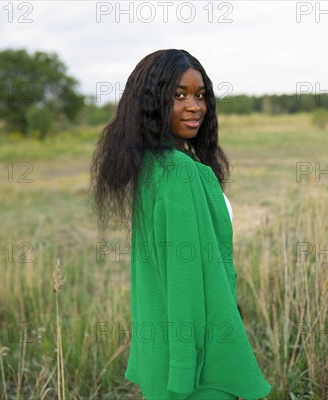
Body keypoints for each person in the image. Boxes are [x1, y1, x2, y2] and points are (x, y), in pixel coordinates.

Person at [90, 49, 271, 400]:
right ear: (152, 103)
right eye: (179, 95)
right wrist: (186, 368)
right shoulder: (181, 174)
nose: (195, 106)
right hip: (196, 368)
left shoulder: (152, 166)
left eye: (200, 95)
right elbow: (185, 278)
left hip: (162, 349)